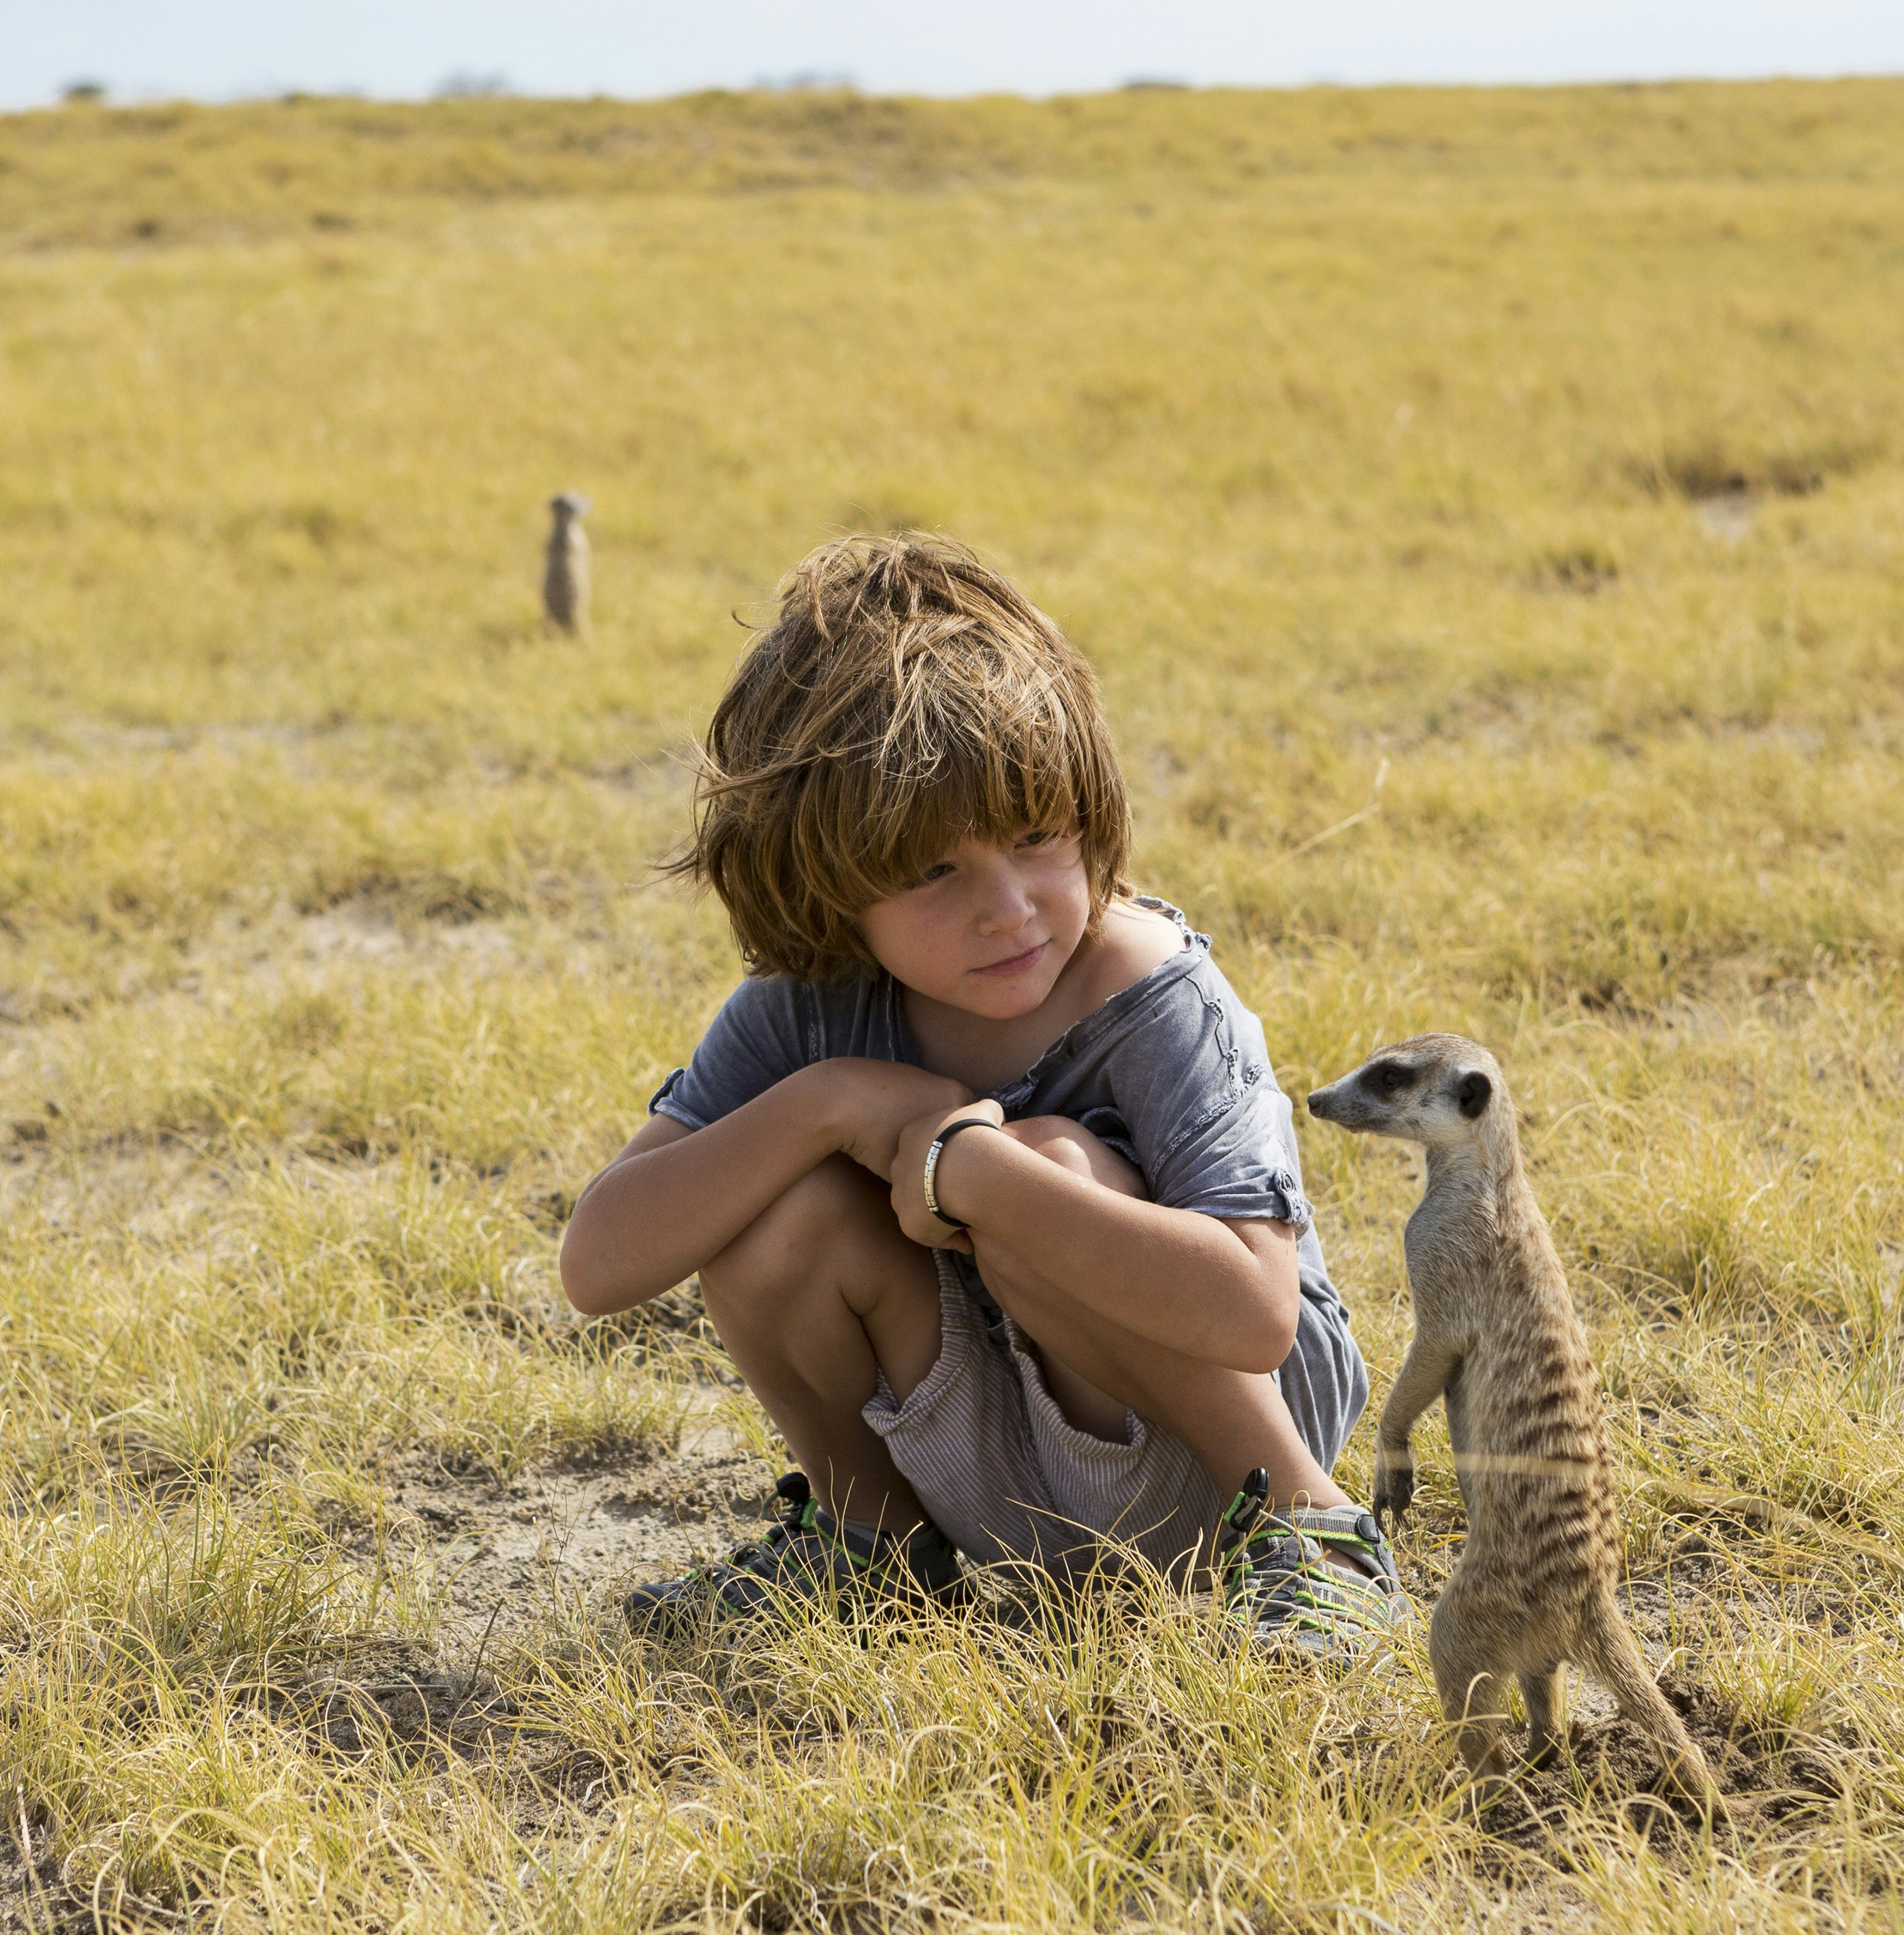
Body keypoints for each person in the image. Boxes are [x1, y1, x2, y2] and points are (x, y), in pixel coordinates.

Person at [558, 533, 1402, 1651]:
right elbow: (597, 1264)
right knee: (782, 1220)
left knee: (1049, 1160)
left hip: (1225, 1452)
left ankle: (1315, 1532)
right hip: (1003, 1476)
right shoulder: (810, 1013)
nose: (1007, 907)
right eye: (929, 871)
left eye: (1035, 836)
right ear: (826, 887)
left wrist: (976, 1173)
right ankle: (879, 1552)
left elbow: (1255, 1312)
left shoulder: (1153, 995)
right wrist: (827, 1102)